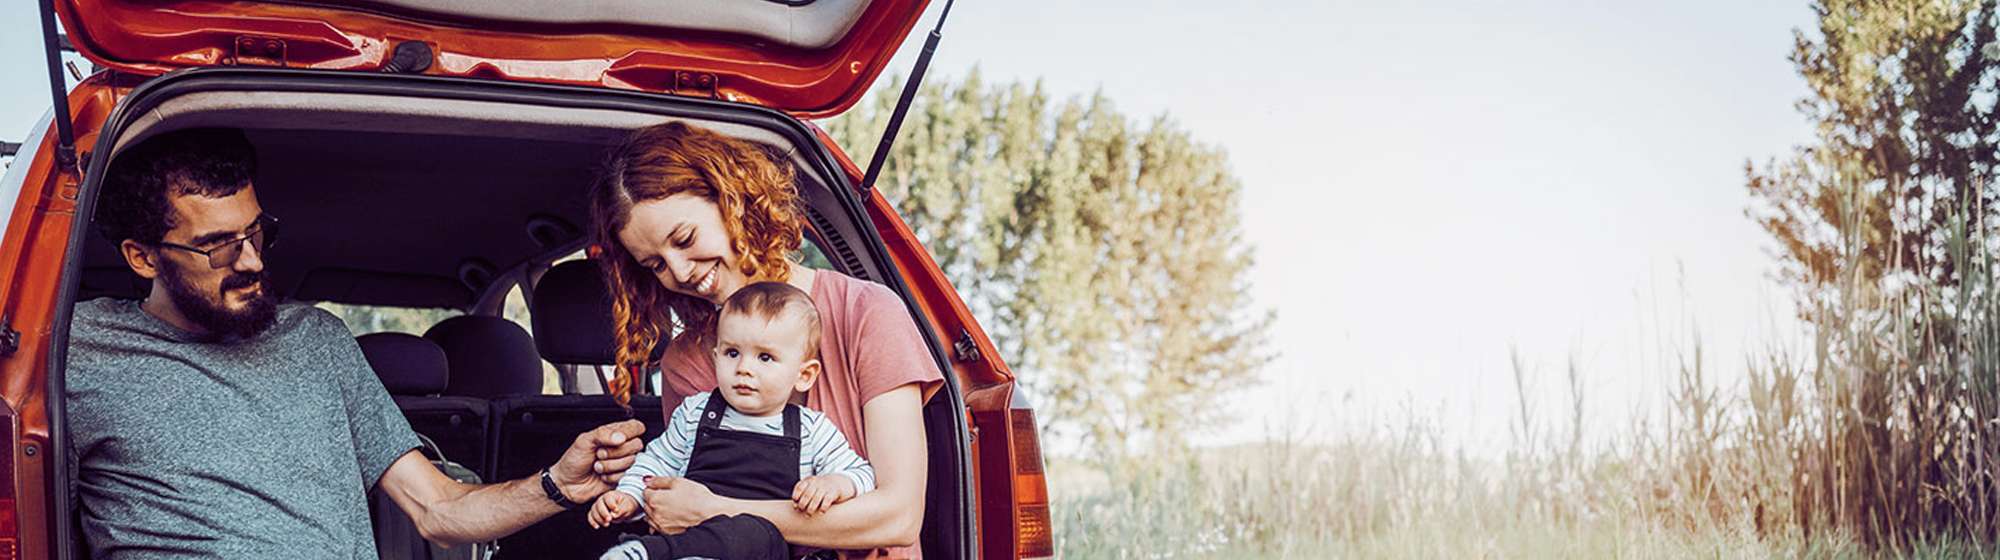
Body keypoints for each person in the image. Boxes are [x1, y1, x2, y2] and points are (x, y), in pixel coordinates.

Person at [66, 127, 645, 558]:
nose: (251, 261)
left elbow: (439, 509)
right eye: (218, 246)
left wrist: (558, 486)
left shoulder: (317, 341)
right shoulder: (73, 352)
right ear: (142, 258)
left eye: (256, 232)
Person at [588, 121, 943, 557]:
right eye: (655, 265)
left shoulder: (866, 312)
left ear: (733, 200)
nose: (680, 272)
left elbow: (898, 516)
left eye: (684, 239)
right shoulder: (688, 362)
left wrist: (716, 511)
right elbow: (679, 505)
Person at [590, 282, 874, 559]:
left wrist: (835, 483)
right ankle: (642, 552)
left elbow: (862, 474)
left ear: (804, 375)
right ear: (716, 358)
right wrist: (628, 497)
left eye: (765, 357)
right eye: (732, 353)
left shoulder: (813, 431)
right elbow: (657, 463)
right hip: (687, 539)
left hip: (760, 548)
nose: (744, 369)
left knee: (754, 531)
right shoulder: (695, 412)